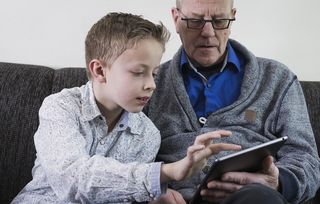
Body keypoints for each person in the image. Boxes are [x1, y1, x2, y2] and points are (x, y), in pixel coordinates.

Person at [11, 12, 242, 204]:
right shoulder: (61, 108)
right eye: (138, 72)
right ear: (100, 71)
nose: (151, 84)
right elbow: (72, 180)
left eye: (154, 73)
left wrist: (156, 196)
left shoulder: (148, 135)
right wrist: (165, 173)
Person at [144, 0, 320, 203]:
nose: (208, 32)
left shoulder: (278, 79)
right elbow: (125, 155)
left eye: (219, 21)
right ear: (176, 19)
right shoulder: (147, 82)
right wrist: (152, 192)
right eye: (195, 21)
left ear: (232, 17)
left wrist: (278, 183)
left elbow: (306, 158)